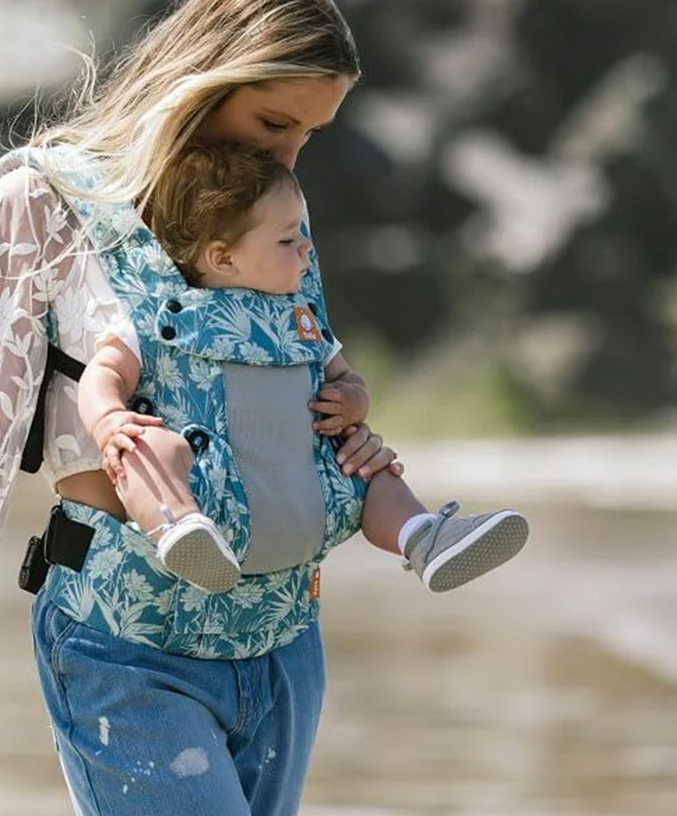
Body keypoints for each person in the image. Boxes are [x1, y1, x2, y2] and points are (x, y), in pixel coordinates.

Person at [0, 0, 521, 816]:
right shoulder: (39, 204)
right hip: (124, 649)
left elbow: (302, 375)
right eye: (274, 120)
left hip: (282, 646)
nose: (287, 153)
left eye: (310, 134)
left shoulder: (277, 213)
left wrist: (352, 433)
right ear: (205, 81)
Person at [78, 141, 527, 595]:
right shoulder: (160, 317)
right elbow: (104, 373)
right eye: (287, 239)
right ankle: (177, 525)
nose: (307, 249)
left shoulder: (300, 318)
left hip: (308, 496)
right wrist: (110, 420)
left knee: (368, 467)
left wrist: (352, 401)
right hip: (207, 492)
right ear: (223, 258)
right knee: (144, 446)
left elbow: (347, 377)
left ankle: (421, 535)